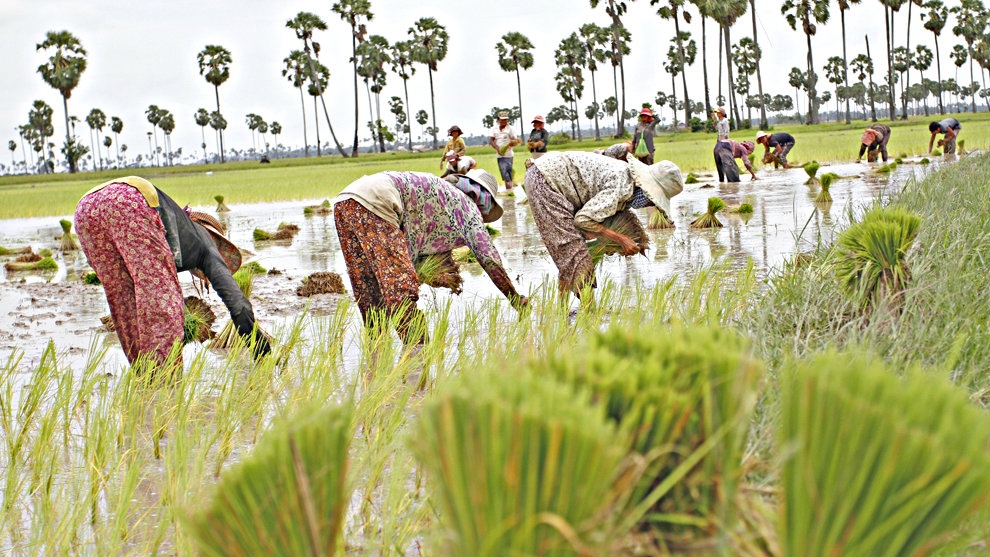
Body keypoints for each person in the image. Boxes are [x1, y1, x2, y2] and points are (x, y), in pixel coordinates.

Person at [74, 176, 271, 367]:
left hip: (85, 211)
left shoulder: (178, 228)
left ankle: (144, 375)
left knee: (124, 302)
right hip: (129, 200)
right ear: (215, 236)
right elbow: (237, 303)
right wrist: (260, 348)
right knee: (164, 302)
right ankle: (164, 379)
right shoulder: (207, 244)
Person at [333, 170, 527, 345]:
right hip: (379, 200)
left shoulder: (439, 195)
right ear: (484, 200)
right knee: (401, 292)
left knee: (368, 289)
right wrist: (515, 299)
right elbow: (489, 259)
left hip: (345, 201)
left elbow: (407, 250)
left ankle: (376, 355)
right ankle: (419, 354)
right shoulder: (468, 207)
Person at [523, 151, 683, 299]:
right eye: (651, 200)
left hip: (548, 177)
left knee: (570, 255)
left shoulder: (628, 183)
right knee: (575, 255)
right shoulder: (621, 186)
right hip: (545, 181)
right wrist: (621, 239)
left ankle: (563, 312)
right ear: (646, 189)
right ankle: (590, 314)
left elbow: (616, 215)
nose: (648, 204)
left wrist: (637, 240)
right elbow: (583, 220)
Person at [489, 112, 520, 190]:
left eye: (505, 120)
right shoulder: (494, 129)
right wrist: (497, 148)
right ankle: (510, 189)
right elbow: (491, 140)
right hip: (499, 155)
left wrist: (510, 144)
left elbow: (515, 140)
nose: (504, 121)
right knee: (504, 173)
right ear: (498, 120)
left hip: (508, 155)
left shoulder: (510, 129)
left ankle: (509, 190)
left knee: (507, 174)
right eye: (502, 120)